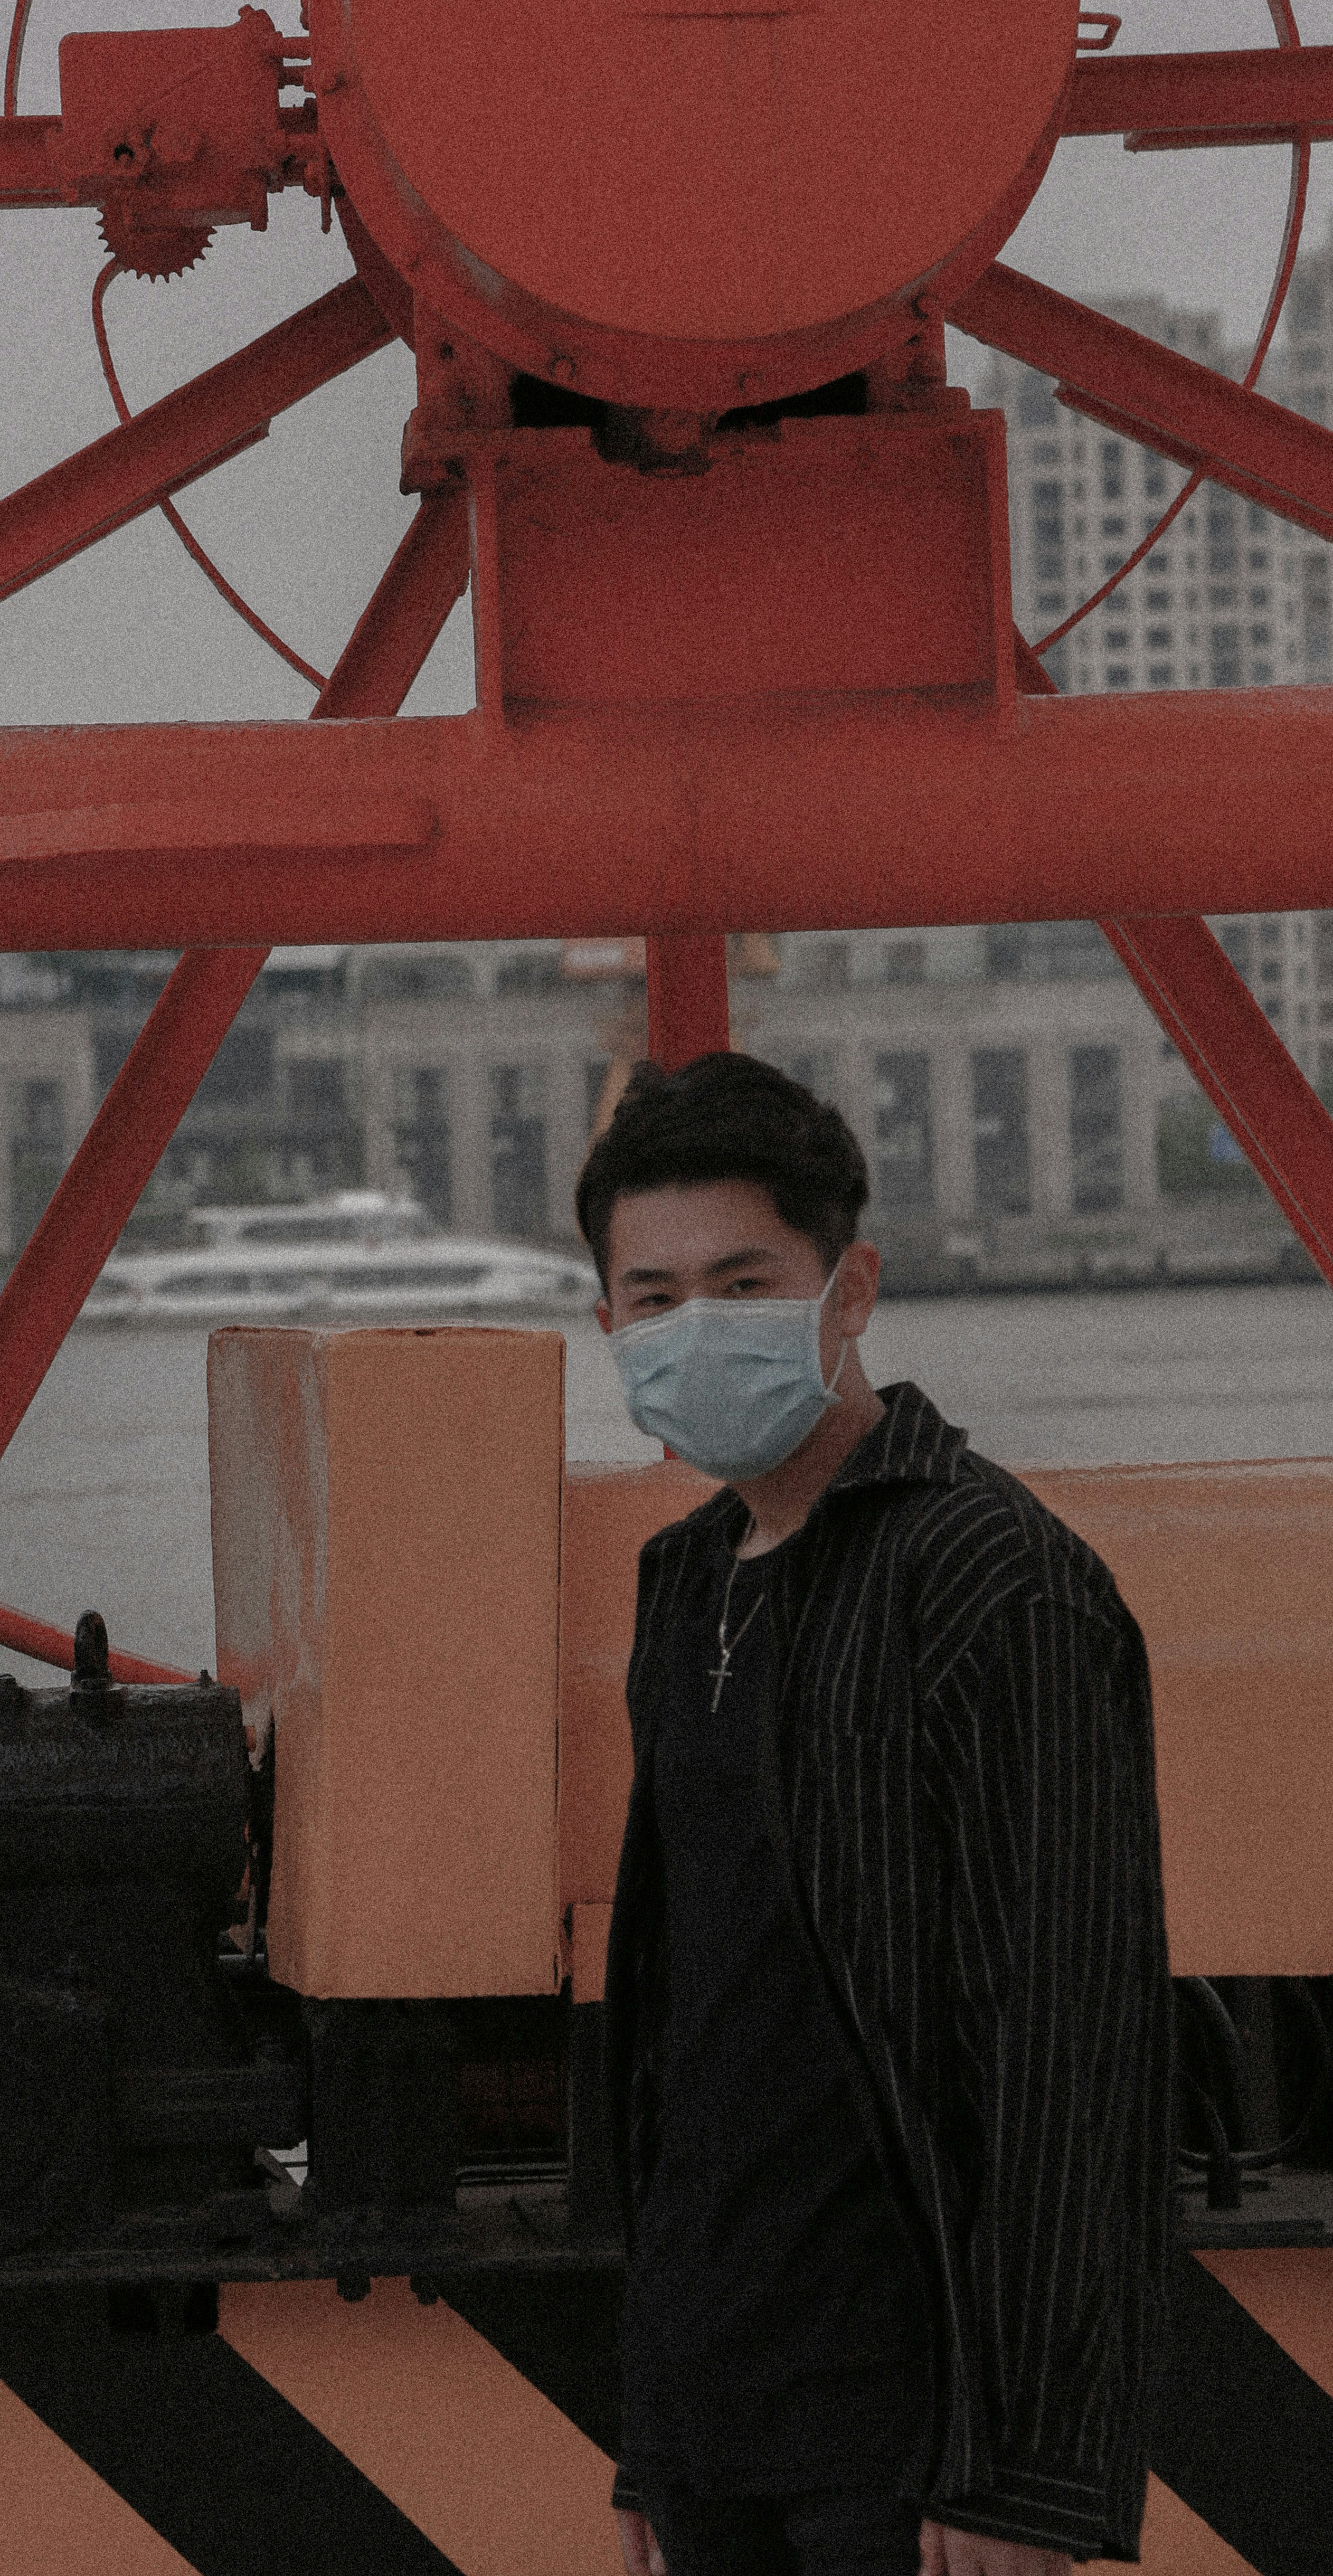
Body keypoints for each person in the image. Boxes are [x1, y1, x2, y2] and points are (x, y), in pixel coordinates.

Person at [578, 1053, 1174, 2576]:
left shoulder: (991, 1577)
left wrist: (1021, 2475)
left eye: (743, 1283)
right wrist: (654, 2430)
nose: (696, 1326)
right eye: (655, 1298)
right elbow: (682, 2035)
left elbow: (1065, 2040)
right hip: (717, 2414)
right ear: (608, 1323)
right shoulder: (685, 1581)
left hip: (912, 2438)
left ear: (850, 1291)